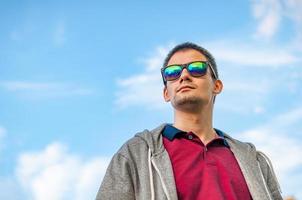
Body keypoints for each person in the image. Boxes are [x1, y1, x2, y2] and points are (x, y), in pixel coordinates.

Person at [96, 42, 282, 200]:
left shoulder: (255, 161)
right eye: (172, 73)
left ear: (217, 85)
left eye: (196, 68)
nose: (184, 76)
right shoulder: (135, 154)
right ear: (166, 93)